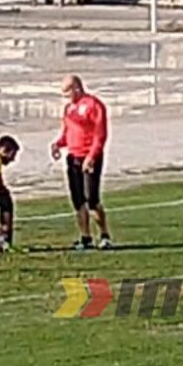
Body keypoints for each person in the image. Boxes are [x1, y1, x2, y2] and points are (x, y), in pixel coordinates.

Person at [50, 75, 113, 250]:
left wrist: (92, 156)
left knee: (92, 199)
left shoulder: (94, 105)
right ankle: (85, 237)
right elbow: (68, 131)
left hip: (89, 157)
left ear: (76, 88)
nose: (65, 97)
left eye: (67, 92)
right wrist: (58, 144)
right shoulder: (69, 109)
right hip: (73, 157)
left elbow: (100, 135)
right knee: (78, 200)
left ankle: (105, 235)